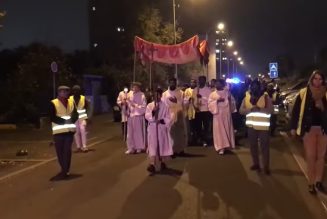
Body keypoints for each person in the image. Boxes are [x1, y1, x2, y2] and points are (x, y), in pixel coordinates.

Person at [290, 70, 327, 194]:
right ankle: (311, 183)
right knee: (311, 157)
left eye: (320, 79)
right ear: (311, 79)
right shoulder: (304, 92)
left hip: (323, 130)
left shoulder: (325, 93)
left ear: (323, 80)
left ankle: (318, 181)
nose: (317, 81)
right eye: (315, 79)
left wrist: (322, 107)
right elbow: (295, 111)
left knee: (321, 157)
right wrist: (293, 127)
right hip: (309, 129)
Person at [240, 80, 273, 175]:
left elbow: (271, 110)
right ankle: (256, 164)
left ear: (260, 87)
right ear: (250, 87)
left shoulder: (266, 97)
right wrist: (250, 109)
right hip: (251, 127)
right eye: (253, 86)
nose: (255, 88)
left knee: (265, 148)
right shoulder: (246, 97)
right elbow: (241, 110)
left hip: (263, 128)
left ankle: (266, 167)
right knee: (253, 147)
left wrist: (260, 109)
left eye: (257, 86)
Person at [50, 86, 78, 179]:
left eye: (66, 92)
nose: (65, 93)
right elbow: (52, 117)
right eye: (63, 92)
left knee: (67, 151)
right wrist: (64, 121)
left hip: (69, 132)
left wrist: (72, 120)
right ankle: (64, 169)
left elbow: (75, 114)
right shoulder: (54, 103)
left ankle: (65, 170)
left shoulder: (71, 102)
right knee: (60, 152)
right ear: (59, 93)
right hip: (58, 132)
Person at [145, 88, 173, 174]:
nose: (156, 96)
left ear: (161, 95)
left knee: (162, 145)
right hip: (153, 128)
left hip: (161, 128)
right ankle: (152, 164)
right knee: (153, 145)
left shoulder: (165, 105)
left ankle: (163, 162)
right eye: (154, 95)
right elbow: (147, 115)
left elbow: (168, 117)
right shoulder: (150, 105)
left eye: (158, 94)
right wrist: (153, 112)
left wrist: (162, 121)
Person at [208, 79, 235, 155]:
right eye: (216, 84)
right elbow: (209, 103)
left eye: (219, 84)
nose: (217, 85)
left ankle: (227, 146)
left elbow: (233, 103)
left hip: (226, 114)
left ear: (223, 85)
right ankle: (220, 147)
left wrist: (229, 100)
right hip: (217, 114)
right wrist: (217, 101)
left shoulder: (227, 93)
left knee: (227, 129)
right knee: (219, 131)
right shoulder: (213, 94)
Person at [162, 78, 187, 156]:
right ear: (168, 83)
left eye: (174, 82)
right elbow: (163, 104)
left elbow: (185, 103)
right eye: (171, 82)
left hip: (179, 113)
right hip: (169, 114)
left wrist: (177, 102)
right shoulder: (165, 94)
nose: (172, 84)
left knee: (180, 132)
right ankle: (171, 150)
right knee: (170, 133)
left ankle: (180, 149)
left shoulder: (181, 93)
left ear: (176, 83)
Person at [125, 82, 147, 154]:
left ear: (138, 87)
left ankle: (139, 147)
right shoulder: (130, 94)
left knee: (138, 133)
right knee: (130, 133)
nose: (134, 88)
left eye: (135, 87)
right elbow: (127, 104)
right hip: (131, 116)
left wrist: (135, 105)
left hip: (138, 116)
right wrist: (126, 109)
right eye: (133, 86)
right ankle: (131, 147)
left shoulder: (142, 95)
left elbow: (144, 107)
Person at [192, 76, 212, 146]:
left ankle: (206, 139)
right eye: (200, 80)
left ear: (205, 81)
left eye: (202, 80)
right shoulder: (195, 90)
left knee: (206, 126)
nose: (201, 81)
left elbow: (210, 100)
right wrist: (195, 107)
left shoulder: (208, 90)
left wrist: (202, 97)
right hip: (198, 110)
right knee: (198, 126)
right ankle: (199, 139)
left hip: (205, 110)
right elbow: (193, 100)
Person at [70, 85, 90, 152]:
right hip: (74, 118)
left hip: (82, 117)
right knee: (76, 132)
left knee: (83, 130)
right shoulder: (70, 99)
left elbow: (88, 108)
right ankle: (78, 147)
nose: (76, 92)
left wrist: (88, 117)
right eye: (74, 90)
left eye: (77, 90)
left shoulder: (83, 98)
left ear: (80, 91)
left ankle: (84, 146)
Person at [184, 79, 197, 145]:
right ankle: (190, 139)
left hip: (196, 109)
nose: (192, 83)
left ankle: (196, 139)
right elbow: (185, 99)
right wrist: (189, 99)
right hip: (189, 108)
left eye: (194, 82)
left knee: (195, 125)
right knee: (189, 125)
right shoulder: (187, 90)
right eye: (191, 82)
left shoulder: (197, 90)